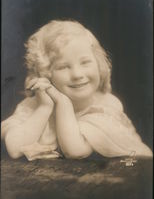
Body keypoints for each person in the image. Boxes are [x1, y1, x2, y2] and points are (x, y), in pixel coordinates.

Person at [1, 20, 152, 161]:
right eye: (64, 67)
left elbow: (75, 150)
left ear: (99, 66)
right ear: (45, 74)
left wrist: (63, 103)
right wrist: (44, 107)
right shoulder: (36, 105)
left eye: (85, 62)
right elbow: (15, 149)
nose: (77, 74)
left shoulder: (106, 105)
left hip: (124, 173)